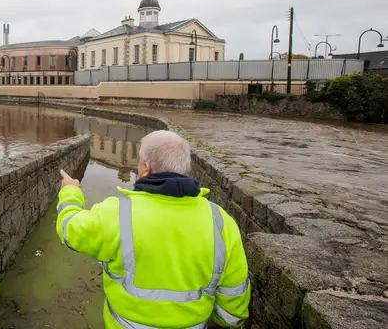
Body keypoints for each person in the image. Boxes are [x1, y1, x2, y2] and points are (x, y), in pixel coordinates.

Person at [57, 130, 250, 328]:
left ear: (146, 169)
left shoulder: (117, 213)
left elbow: (70, 230)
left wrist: (70, 192)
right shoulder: (221, 221)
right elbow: (233, 306)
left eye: (139, 162)